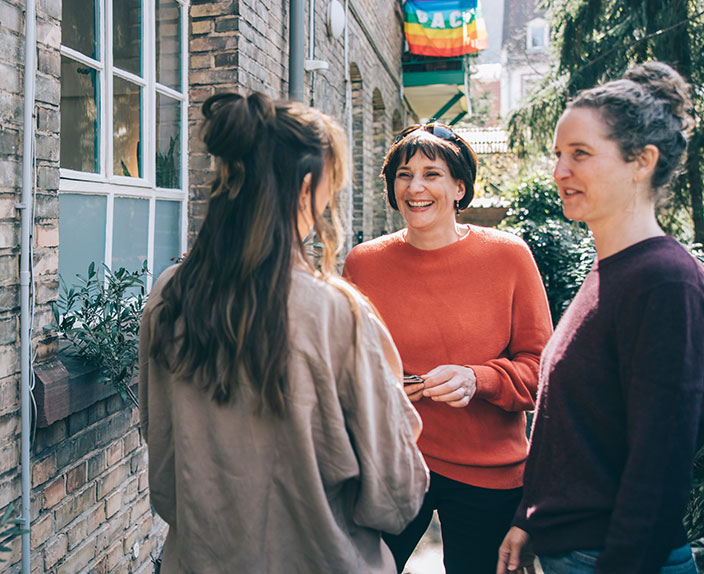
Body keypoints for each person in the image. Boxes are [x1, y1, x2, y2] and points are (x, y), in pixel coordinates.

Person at [138, 92, 429, 573]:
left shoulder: (169, 295)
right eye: (330, 185)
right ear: (306, 186)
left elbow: (164, 462)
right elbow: (397, 495)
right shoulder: (338, 312)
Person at [497, 61, 704, 574]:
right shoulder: (610, 269)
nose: (560, 171)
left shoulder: (664, 279)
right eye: (559, 155)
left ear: (642, 161)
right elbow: (576, 427)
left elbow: (660, 456)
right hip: (574, 549)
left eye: (581, 155)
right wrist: (531, 516)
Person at [342, 122, 553, 574]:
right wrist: (382, 388)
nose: (415, 187)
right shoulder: (364, 262)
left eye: (431, 174)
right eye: (403, 174)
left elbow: (542, 371)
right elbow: (344, 366)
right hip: (392, 465)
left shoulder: (509, 256)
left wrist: (479, 378)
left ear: (460, 187)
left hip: (490, 476)